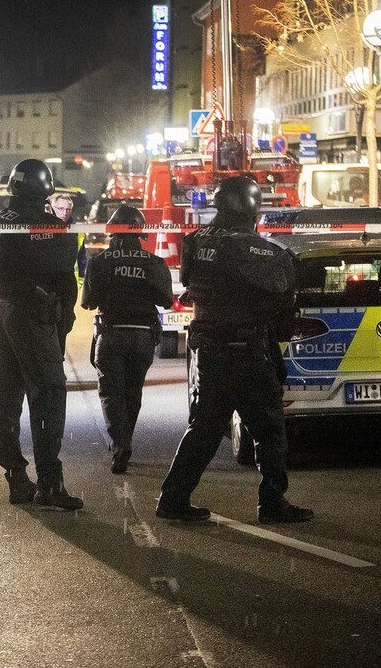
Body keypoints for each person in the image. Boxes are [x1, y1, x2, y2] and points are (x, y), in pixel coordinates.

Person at [157, 176, 313, 525]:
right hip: (247, 352)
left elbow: (192, 286)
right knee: (270, 430)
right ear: (253, 207)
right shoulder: (260, 251)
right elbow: (282, 293)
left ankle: (173, 498)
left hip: (209, 351)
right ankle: (272, 503)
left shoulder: (196, 242)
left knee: (205, 427)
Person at [0, 159, 82, 509]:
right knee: (49, 396)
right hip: (33, 315)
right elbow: (62, 269)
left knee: (6, 400)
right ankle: (50, 484)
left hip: (4, 311)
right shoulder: (48, 226)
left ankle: (16, 478)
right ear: (45, 189)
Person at [81, 205, 172, 474]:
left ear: (113, 232)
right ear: (140, 233)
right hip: (143, 337)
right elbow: (166, 300)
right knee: (133, 393)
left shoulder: (99, 263)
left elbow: (87, 302)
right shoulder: (154, 263)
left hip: (111, 335)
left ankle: (121, 444)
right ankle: (125, 441)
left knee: (111, 394)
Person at [49, 192, 87, 287]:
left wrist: (81, 281)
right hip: (49, 282)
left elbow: (81, 258)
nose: (65, 213)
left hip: (71, 283)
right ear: (52, 208)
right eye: (61, 209)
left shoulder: (78, 230)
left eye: (68, 209)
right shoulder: (43, 228)